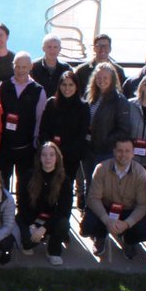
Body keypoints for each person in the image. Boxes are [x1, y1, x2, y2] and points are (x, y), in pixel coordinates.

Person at [82, 138, 146, 258]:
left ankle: (129, 241)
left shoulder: (141, 173)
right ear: (114, 151)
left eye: (127, 151)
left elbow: (143, 205)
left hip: (128, 210)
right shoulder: (101, 168)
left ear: (133, 153)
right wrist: (107, 220)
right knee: (88, 225)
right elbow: (93, 199)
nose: (123, 154)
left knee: (143, 231)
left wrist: (127, 223)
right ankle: (100, 237)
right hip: (105, 208)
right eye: (120, 151)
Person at [0, 52, 46, 207]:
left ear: (30, 67)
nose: (20, 70)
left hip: (26, 147)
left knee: (24, 184)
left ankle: (22, 215)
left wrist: (36, 142)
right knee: (0, 182)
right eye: (17, 66)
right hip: (5, 146)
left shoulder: (38, 90)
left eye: (24, 67)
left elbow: (39, 118)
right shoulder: (2, 86)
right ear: (13, 66)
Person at [36, 71, 90, 202]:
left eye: (71, 85)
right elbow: (44, 129)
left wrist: (63, 152)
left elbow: (81, 134)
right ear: (59, 86)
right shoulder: (51, 103)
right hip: (49, 155)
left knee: (65, 187)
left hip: (70, 156)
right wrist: (51, 151)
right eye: (64, 85)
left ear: (76, 86)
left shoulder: (83, 106)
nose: (67, 88)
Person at [17, 143, 73, 265]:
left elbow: (64, 210)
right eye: (44, 155)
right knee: (28, 244)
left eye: (52, 155)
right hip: (31, 218)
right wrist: (31, 224)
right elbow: (21, 204)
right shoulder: (28, 176)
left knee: (63, 223)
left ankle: (53, 251)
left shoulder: (64, 180)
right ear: (39, 158)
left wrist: (44, 228)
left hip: (51, 220)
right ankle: (28, 239)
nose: (48, 158)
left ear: (57, 158)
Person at [83, 62, 131, 200]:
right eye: (99, 77)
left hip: (105, 151)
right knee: (89, 183)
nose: (101, 81)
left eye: (105, 78)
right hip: (88, 148)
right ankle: (88, 213)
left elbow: (124, 130)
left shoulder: (119, 100)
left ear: (112, 79)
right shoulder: (90, 95)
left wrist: (105, 141)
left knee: (102, 186)